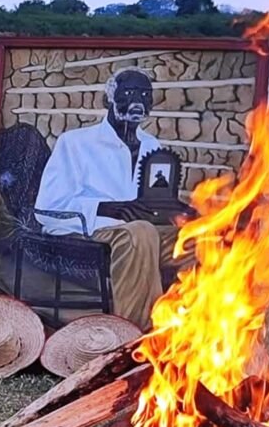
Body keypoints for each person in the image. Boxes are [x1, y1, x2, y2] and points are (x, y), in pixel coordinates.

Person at [34, 67, 184, 329]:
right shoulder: (75, 143)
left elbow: (154, 201)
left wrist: (180, 212)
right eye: (128, 92)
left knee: (201, 239)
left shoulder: (153, 146)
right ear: (108, 100)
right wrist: (110, 209)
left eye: (144, 94)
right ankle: (132, 336)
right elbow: (48, 208)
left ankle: (188, 333)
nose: (137, 100)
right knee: (140, 233)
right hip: (86, 232)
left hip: (140, 232)